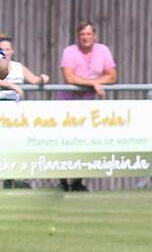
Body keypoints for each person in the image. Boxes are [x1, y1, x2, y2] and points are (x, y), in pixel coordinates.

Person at [58, 21, 117, 192]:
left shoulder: (103, 50)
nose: (85, 37)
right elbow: (70, 78)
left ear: (94, 35)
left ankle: (77, 181)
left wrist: (93, 83)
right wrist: (95, 84)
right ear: (78, 36)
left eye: (88, 34)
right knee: (63, 143)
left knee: (84, 143)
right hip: (67, 104)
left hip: (88, 107)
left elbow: (112, 76)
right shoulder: (69, 51)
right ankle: (62, 181)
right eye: (82, 34)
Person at [1, 34, 50, 101]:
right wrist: (11, 86)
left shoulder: (18, 67)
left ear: (12, 51)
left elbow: (34, 80)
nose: (4, 52)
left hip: (15, 104)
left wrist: (42, 79)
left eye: (7, 49)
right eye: (1, 49)